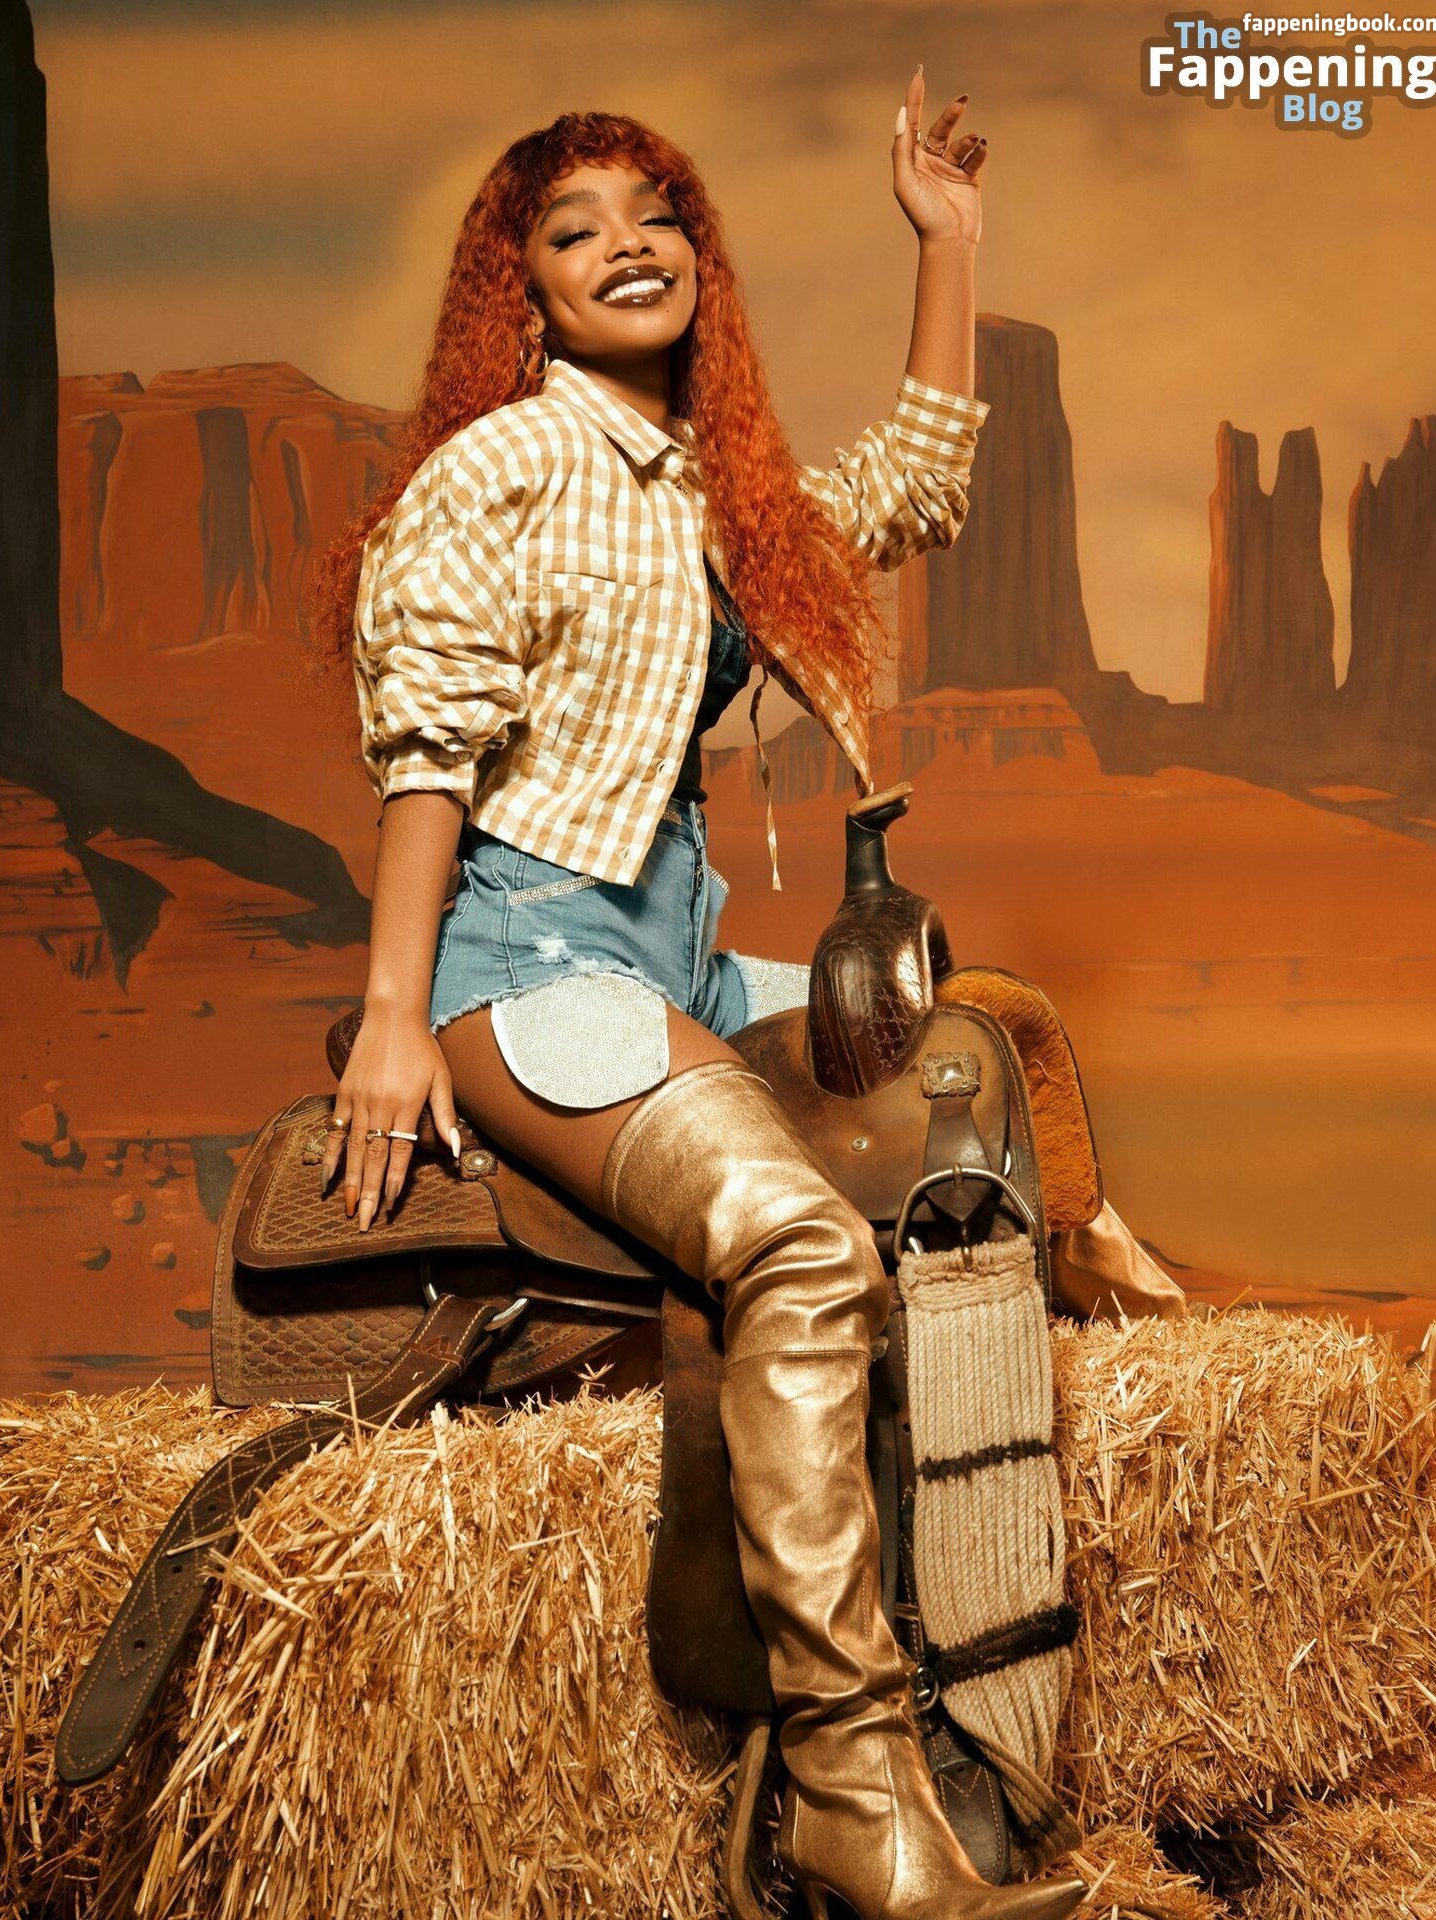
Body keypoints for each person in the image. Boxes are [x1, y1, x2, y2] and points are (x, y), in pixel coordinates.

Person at [312, 67, 1088, 1920]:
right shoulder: (506, 464)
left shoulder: (705, 493)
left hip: (674, 949)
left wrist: (948, 240)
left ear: (700, 262)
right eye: (574, 230)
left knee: (986, 1048)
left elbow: (913, 486)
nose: (627, 244)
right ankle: (850, 1784)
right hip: (530, 953)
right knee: (802, 1248)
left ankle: (1016, 1629)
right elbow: (428, 746)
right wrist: (396, 1012)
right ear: (522, 292)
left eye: (656, 215)